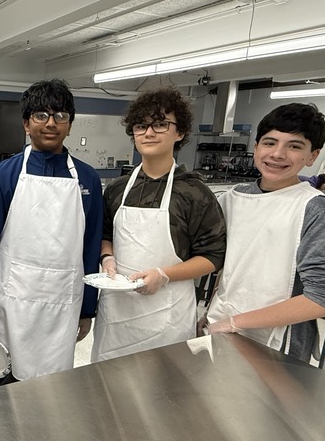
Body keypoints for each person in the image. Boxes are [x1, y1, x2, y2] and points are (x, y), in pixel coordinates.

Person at [0, 79, 104, 385]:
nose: (50, 124)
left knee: (54, 390)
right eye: (40, 116)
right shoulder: (2, 177)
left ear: (70, 125)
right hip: (11, 306)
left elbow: (91, 246)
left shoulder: (87, 179)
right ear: (26, 124)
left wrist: (88, 309)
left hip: (62, 307)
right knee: (3, 392)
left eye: (60, 116)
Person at [204, 103, 325, 362]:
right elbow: (232, 266)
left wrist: (235, 322)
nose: (278, 154)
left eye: (294, 146)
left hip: (279, 344)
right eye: (270, 143)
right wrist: (212, 315)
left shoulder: (316, 208)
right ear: (256, 147)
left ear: (313, 156)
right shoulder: (233, 198)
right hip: (219, 324)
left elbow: (322, 298)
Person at [92, 88, 226, 362]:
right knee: (109, 389)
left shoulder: (194, 192)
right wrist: (107, 257)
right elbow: (106, 234)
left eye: (160, 124)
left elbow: (213, 256)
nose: (149, 133)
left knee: (163, 391)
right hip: (117, 314)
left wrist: (164, 275)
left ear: (180, 133)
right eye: (141, 126)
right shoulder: (118, 188)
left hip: (167, 313)